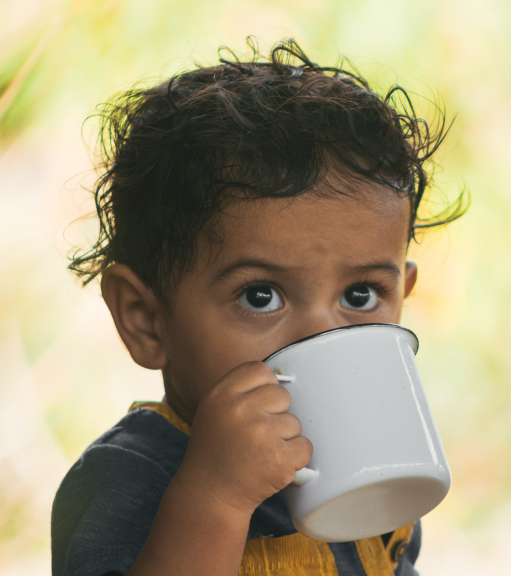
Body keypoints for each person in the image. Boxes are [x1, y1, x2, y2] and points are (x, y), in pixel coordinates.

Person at [52, 38, 466, 576]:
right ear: (145, 319)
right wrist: (216, 498)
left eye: (361, 295)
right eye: (260, 296)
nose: (320, 333)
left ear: (402, 295)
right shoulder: (129, 477)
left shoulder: (377, 469)